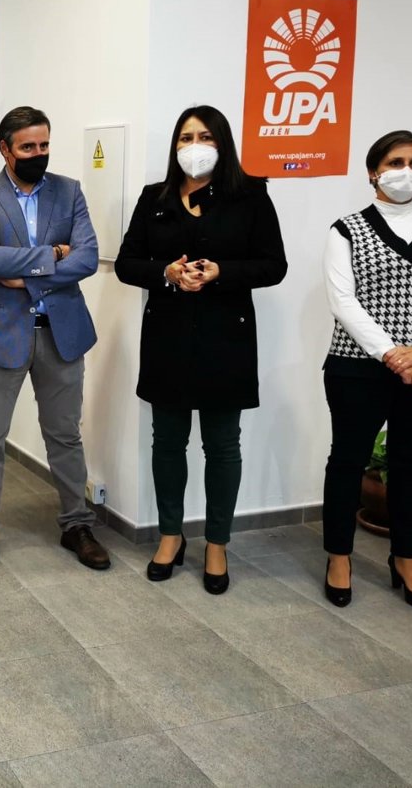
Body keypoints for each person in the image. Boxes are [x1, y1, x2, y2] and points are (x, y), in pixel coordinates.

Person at [115, 105, 287, 594]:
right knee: (167, 441)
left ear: (222, 143)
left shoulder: (251, 196)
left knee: (222, 444)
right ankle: (171, 535)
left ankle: (216, 543)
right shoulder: (155, 197)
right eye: (186, 137)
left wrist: (222, 272)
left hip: (225, 337)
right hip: (167, 335)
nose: (195, 146)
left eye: (205, 136)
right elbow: (127, 263)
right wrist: (166, 272)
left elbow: (274, 265)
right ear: (175, 146)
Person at [320, 130, 412, 611]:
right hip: (356, 367)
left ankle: (406, 560)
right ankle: (338, 557)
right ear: (373, 172)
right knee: (347, 462)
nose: (406, 171)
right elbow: (343, 301)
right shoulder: (346, 229)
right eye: (395, 162)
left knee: (409, 465)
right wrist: (394, 355)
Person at [0, 106, 110, 573]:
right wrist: (54, 254)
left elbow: (88, 258)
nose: (38, 154)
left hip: (61, 333)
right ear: (4, 149)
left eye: (44, 145)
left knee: (65, 434)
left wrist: (26, 274)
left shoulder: (69, 191)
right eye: (27, 147)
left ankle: (77, 523)